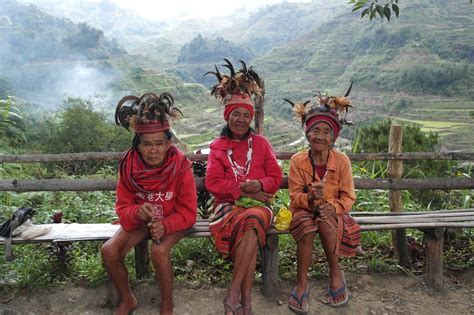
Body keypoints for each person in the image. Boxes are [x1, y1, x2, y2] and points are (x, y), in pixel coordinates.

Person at [101, 92, 197, 315]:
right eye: (146, 144)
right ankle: (127, 299)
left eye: (159, 143)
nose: (153, 150)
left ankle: (167, 305)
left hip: (173, 219)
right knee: (109, 251)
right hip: (141, 221)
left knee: (159, 250)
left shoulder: (180, 166)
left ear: (168, 143)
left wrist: (166, 225)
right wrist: (138, 212)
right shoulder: (128, 166)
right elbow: (123, 210)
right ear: (137, 145)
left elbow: (189, 212)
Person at [205, 59, 283, 315]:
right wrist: (243, 190)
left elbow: (276, 175)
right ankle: (245, 299)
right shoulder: (218, 147)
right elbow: (213, 183)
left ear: (251, 118)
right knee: (250, 227)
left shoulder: (260, 144)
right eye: (236, 114)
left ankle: (234, 293)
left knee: (252, 220)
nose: (241, 119)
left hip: (259, 206)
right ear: (228, 116)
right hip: (226, 207)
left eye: (246, 115)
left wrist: (260, 184)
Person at [285, 87, 360, 313]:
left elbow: (348, 198)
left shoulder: (342, 161)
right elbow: (294, 197)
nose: (320, 136)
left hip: (332, 212)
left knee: (327, 222)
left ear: (333, 137)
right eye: (315, 130)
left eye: (326, 132)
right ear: (307, 134)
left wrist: (332, 207)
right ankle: (302, 283)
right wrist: (309, 197)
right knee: (308, 226)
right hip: (304, 211)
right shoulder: (298, 161)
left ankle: (336, 276)